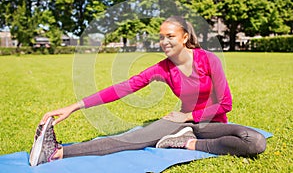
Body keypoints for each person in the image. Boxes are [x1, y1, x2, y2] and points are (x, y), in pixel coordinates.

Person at [29, 16, 267, 166]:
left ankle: (187, 144)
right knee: (128, 141)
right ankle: (57, 152)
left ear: (185, 37)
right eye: (161, 37)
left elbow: (225, 103)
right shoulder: (162, 69)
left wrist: (188, 117)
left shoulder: (209, 60)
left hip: (211, 125)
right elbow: (123, 88)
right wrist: (74, 107)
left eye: (170, 36)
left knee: (254, 141)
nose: (164, 42)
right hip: (179, 123)